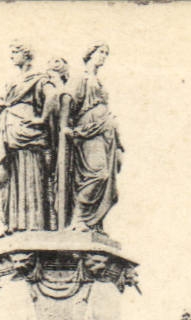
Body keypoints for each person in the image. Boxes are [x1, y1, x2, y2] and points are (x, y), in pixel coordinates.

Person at [0, 43, 54, 234]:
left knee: (31, 172)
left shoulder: (38, 78)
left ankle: (33, 224)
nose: (12, 57)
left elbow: (52, 96)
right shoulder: (12, 80)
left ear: (26, 55)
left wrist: (42, 118)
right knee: (11, 177)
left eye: (15, 52)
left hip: (27, 131)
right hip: (11, 131)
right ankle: (14, 224)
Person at [66, 43, 122, 233]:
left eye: (106, 53)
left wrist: (120, 145)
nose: (103, 57)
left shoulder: (99, 80)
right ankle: (78, 218)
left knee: (108, 182)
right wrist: (65, 128)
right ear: (90, 54)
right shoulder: (81, 77)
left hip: (106, 132)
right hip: (88, 130)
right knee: (98, 174)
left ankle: (93, 223)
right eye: (101, 52)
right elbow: (67, 101)